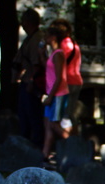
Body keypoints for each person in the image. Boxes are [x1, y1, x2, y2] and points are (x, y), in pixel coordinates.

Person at [12, 8, 45, 147]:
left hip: (31, 84)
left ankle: (33, 146)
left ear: (27, 22)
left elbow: (36, 64)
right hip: (26, 81)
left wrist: (31, 81)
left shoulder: (36, 39)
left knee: (32, 116)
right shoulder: (30, 38)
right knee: (25, 115)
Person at [42, 24, 70, 161]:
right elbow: (47, 69)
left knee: (54, 124)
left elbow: (60, 78)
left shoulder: (58, 54)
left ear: (53, 37)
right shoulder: (52, 53)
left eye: (47, 35)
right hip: (51, 93)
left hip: (58, 94)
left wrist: (50, 97)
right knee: (48, 124)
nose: (44, 38)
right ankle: (44, 154)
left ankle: (74, 144)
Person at [50, 18, 82, 135]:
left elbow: (58, 65)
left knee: (60, 119)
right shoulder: (73, 43)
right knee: (70, 116)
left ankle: (71, 142)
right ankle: (76, 141)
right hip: (75, 81)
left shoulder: (64, 45)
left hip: (66, 83)